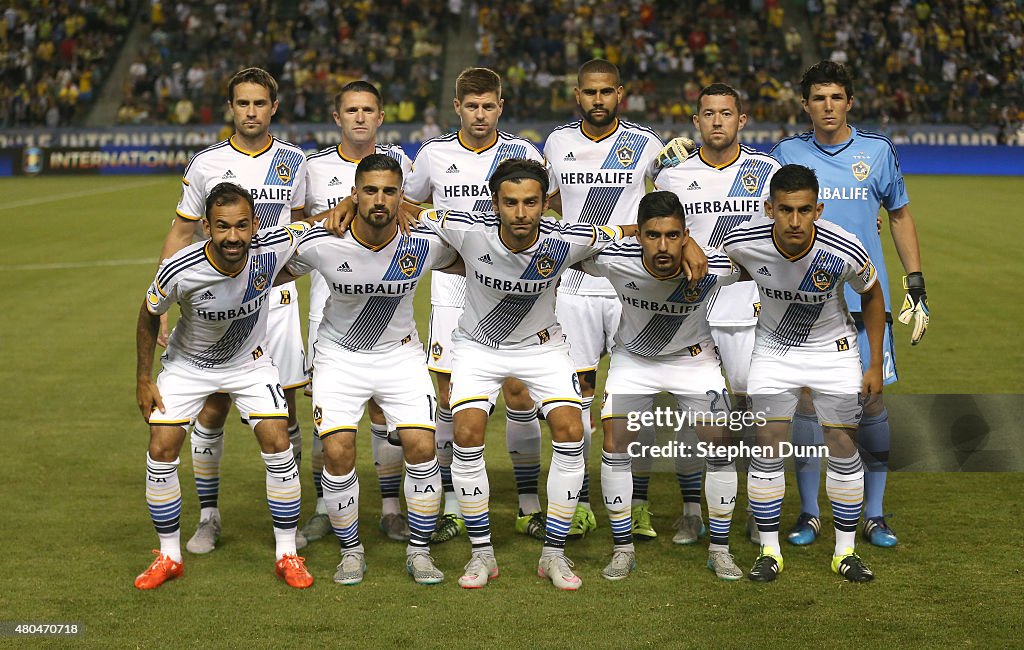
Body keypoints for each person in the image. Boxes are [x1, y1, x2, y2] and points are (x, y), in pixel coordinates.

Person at [417, 158, 631, 590]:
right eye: (511, 203)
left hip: (544, 347)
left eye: (531, 202)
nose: (521, 213)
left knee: (573, 431)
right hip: (479, 346)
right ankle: (483, 556)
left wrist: (687, 245)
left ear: (544, 204)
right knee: (466, 433)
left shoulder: (568, 238)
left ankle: (553, 554)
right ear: (494, 203)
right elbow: (409, 210)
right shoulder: (466, 228)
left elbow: (623, 233)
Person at [282, 155, 461, 585]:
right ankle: (351, 552)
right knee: (339, 451)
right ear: (354, 194)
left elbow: (478, 254)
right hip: (339, 357)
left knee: (422, 446)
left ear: (402, 196)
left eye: (389, 191)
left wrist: (423, 213)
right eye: (370, 190)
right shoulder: (322, 241)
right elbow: (267, 271)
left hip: (399, 356)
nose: (379, 200)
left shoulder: (424, 242)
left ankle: (419, 553)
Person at [770, 61, 929, 548]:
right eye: (818, 98)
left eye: (836, 97)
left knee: (871, 400)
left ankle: (874, 514)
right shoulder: (786, 153)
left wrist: (915, 279)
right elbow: (766, 217)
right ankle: (810, 513)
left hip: (866, 303)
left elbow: (898, 215)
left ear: (849, 102)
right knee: (805, 406)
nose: (828, 106)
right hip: (804, 306)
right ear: (805, 105)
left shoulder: (877, 152)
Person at [159, 67, 310, 555]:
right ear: (232, 107)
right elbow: (183, 232)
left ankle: (292, 520)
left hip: (276, 302)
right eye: (242, 103)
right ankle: (208, 517)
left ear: (274, 107)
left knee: (285, 409)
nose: (251, 112)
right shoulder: (207, 163)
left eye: (259, 103)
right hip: (215, 304)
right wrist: (160, 302)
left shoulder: (294, 161)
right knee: (212, 405)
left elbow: (306, 227)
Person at [134, 183, 313, 590]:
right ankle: (169, 555)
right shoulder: (180, 268)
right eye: (222, 227)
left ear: (254, 224)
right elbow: (147, 315)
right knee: (161, 447)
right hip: (188, 366)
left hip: (249, 364)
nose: (233, 237)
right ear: (206, 228)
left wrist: (351, 204)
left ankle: (287, 553)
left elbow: (318, 227)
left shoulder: (271, 248)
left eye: (242, 226)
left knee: (277, 440)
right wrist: (143, 378)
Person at [404, 68, 549, 543]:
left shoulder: (524, 153)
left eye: (489, 106)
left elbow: (548, 212)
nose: (480, 115)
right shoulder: (433, 154)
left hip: (514, 286)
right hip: (454, 288)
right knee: (449, 395)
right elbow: (407, 206)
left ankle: (529, 503)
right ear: (457, 108)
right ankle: (453, 500)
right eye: (472, 106)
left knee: (518, 392)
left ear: (500, 106)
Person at [723, 164, 884, 583]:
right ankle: (770, 551)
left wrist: (874, 362)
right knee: (767, 447)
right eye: (785, 210)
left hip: (834, 353)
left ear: (819, 209)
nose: (795, 221)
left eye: (804, 210)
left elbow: (871, 294)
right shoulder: (742, 243)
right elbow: (713, 267)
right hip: (773, 354)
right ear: (768, 208)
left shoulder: (844, 248)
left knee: (843, 448)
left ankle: (845, 552)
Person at [580, 191, 744, 581]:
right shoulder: (615, 259)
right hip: (634, 360)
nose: (663, 245)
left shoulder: (716, 266)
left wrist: (698, 246)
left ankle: (719, 549)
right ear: (639, 236)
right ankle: (623, 550)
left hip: (695, 360)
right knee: (614, 439)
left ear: (686, 234)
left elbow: (766, 254)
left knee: (721, 442)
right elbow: (570, 243)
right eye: (653, 235)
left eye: (673, 236)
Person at [655, 82, 782, 545]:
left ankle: (753, 505)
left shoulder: (768, 172)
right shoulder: (673, 177)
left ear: (741, 120)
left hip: (750, 309)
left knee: (751, 409)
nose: (717, 121)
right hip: (691, 307)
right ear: (696, 122)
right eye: (707, 114)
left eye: (726, 113)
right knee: (695, 413)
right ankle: (692, 510)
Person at [543, 58, 665, 541]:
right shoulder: (556, 142)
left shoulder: (647, 144)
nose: (598, 100)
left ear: (621, 94)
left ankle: (638, 504)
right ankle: (581, 501)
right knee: (578, 397)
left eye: (606, 92)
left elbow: (670, 203)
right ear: (578, 95)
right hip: (574, 287)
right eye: (589, 93)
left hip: (630, 285)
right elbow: (547, 201)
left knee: (636, 396)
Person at [301, 80, 414, 545]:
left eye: (369, 109)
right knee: (327, 413)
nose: (361, 117)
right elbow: (295, 228)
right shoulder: (313, 168)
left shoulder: (401, 164)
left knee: (383, 410)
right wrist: (342, 206)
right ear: (338, 117)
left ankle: (390, 507)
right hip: (328, 300)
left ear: (381, 116)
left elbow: (414, 213)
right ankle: (325, 510)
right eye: (352, 110)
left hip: (387, 299)